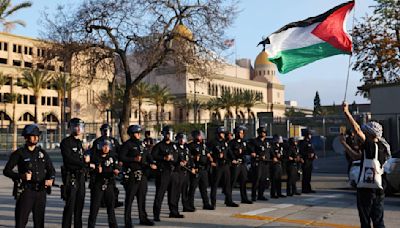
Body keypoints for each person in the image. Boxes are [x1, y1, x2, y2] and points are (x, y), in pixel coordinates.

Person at [342, 102, 390, 228]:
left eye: (365, 132)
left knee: (365, 222)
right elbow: (356, 157)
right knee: (379, 221)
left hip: (366, 190)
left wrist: (346, 112)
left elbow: (356, 130)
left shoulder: (370, 145)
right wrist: (344, 145)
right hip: (379, 189)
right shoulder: (382, 147)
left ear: (370, 134)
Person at [3, 124, 56, 228]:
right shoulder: (19, 153)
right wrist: (21, 176)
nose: (36, 137)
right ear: (26, 137)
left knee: (39, 223)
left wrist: (51, 179)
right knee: (21, 222)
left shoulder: (42, 153)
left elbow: (51, 169)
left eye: (37, 135)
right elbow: (6, 171)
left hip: (41, 191)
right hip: (26, 192)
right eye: (33, 135)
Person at [119, 125, 155, 227]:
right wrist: (133, 159)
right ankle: (127, 221)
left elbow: (148, 155)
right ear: (131, 134)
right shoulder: (127, 145)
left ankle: (143, 218)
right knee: (130, 198)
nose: (139, 134)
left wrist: (152, 162)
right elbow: (122, 157)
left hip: (142, 174)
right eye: (137, 133)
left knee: (142, 198)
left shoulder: (142, 144)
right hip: (132, 174)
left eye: (139, 133)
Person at [61, 118, 90, 228]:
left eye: (80, 126)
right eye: (75, 126)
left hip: (81, 177)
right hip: (71, 178)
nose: (78, 128)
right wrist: (84, 163)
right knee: (70, 206)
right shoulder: (66, 142)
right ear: (70, 128)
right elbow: (68, 159)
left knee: (79, 206)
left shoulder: (80, 143)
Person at [152, 126, 184, 221]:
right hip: (163, 172)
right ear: (163, 134)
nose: (168, 135)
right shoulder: (159, 146)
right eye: (167, 133)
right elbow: (153, 156)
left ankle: (174, 212)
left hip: (173, 172)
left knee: (174, 194)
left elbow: (178, 156)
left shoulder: (174, 146)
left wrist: (181, 161)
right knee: (160, 194)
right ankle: (156, 214)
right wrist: (164, 158)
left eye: (170, 133)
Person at [87, 139, 119, 228]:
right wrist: (95, 169)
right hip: (98, 183)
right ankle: (91, 226)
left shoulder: (112, 157)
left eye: (108, 146)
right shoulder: (95, 157)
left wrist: (117, 170)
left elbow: (116, 167)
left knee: (111, 207)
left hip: (109, 183)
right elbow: (89, 168)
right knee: (94, 207)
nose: (106, 148)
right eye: (104, 146)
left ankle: (113, 225)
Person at [91, 123, 123, 208]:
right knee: (99, 186)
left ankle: (113, 201)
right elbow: (93, 154)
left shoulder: (114, 141)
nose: (106, 133)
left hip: (111, 165)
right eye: (104, 131)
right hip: (101, 165)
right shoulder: (97, 141)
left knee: (112, 186)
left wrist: (119, 162)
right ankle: (101, 202)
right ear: (101, 131)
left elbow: (119, 152)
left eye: (107, 131)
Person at [208, 126, 239, 208]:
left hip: (225, 165)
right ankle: (213, 202)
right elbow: (208, 153)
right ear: (218, 134)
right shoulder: (213, 142)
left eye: (224, 133)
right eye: (222, 133)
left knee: (228, 184)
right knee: (215, 184)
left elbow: (229, 152)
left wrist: (233, 159)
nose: (223, 135)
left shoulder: (225, 142)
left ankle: (229, 201)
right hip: (217, 165)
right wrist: (213, 160)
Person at [187, 130, 215, 210]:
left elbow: (207, 153)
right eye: (199, 135)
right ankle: (190, 204)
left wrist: (210, 158)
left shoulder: (204, 145)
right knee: (193, 188)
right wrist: (193, 157)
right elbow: (187, 157)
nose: (201, 137)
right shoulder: (191, 145)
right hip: (196, 169)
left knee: (204, 188)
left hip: (204, 169)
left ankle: (206, 203)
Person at [229, 125, 252, 204]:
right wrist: (233, 159)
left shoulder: (244, 142)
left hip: (242, 164)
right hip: (236, 164)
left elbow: (247, 151)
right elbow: (229, 152)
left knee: (243, 181)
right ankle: (228, 199)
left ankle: (244, 198)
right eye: (240, 133)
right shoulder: (232, 143)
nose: (242, 134)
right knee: (232, 181)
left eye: (242, 133)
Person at [174, 133, 196, 212]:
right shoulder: (175, 148)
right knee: (177, 192)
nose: (182, 140)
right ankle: (174, 208)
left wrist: (192, 167)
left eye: (183, 138)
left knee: (185, 191)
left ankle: (185, 206)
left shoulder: (186, 148)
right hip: (178, 172)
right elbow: (174, 159)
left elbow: (190, 159)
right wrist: (179, 162)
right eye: (180, 138)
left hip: (186, 172)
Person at [248, 126, 270, 201]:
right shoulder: (254, 141)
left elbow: (269, 151)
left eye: (264, 132)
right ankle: (253, 195)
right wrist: (257, 155)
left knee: (263, 180)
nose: (263, 134)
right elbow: (251, 151)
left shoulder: (267, 142)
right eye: (261, 132)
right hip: (258, 162)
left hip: (265, 163)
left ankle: (261, 195)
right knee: (256, 179)